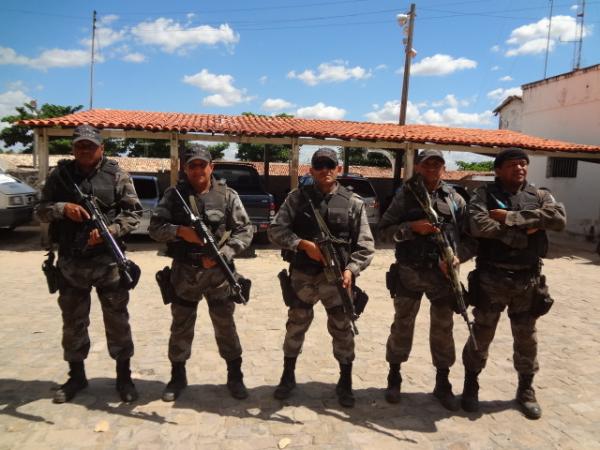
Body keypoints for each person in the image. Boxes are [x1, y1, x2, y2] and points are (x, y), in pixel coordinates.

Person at [35, 124, 142, 403]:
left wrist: (111, 231)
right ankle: (76, 376)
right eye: (80, 145)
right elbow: (40, 210)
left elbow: (134, 214)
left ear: (101, 148)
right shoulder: (60, 176)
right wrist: (62, 209)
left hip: (108, 263)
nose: (85, 150)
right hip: (71, 263)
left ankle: (123, 377)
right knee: (72, 322)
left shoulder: (117, 175)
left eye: (90, 146)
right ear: (73, 149)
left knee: (117, 322)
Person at [461, 148, 566, 419]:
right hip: (491, 278)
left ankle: (526, 390)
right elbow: (478, 224)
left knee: (526, 337)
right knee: (480, 335)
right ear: (498, 170)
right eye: (512, 165)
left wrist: (511, 218)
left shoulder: (540, 195)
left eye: (523, 164)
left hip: (527, 280)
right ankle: (470, 386)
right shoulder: (482, 195)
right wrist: (521, 235)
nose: (519, 168)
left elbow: (558, 218)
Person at [268, 148, 374, 408]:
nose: (325, 170)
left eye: (330, 165)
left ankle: (345, 380)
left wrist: (351, 269)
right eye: (319, 165)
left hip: (337, 279)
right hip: (303, 275)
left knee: (342, 328)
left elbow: (366, 245)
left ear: (338, 169)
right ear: (311, 169)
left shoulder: (353, 202)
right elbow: (275, 230)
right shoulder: (297, 198)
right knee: (296, 324)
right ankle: (288, 375)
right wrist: (302, 244)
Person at [148, 146, 253, 402]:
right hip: (184, 272)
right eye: (192, 165)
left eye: (201, 165)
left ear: (211, 167)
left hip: (218, 274)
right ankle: (177, 375)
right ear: (185, 168)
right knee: (181, 325)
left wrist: (224, 254)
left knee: (225, 325)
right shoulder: (174, 196)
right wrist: (180, 232)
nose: (197, 170)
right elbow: (154, 228)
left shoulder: (227, 196)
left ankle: (235, 375)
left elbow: (245, 230)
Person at [379, 149, 474, 411]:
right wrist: (411, 229)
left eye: (438, 164)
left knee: (443, 328)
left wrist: (457, 258)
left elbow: (471, 238)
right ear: (419, 167)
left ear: (444, 167)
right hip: (410, 272)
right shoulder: (404, 195)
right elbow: (384, 232)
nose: (433, 168)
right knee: (402, 324)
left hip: (443, 276)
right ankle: (394, 375)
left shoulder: (455, 198)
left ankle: (442, 382)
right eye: (428, 164)